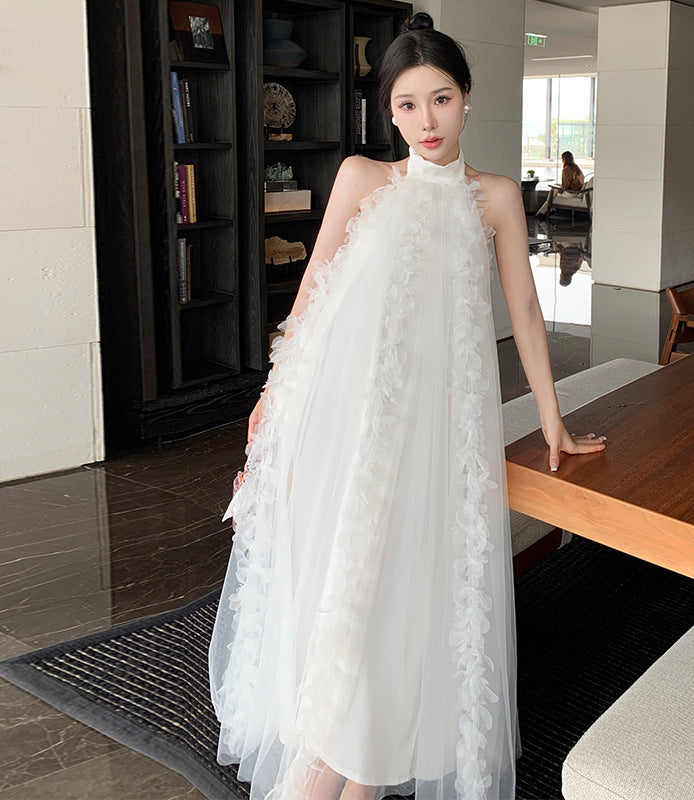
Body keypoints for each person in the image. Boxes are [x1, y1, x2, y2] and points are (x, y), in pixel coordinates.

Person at [208, 12, 605, 800]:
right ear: (388, 111)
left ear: (467, 97)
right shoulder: (363, 177)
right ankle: (330, 763)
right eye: (408, 104)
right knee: (351, 589)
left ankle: (366, 771)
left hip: (442, 426)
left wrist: (551, 418)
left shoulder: (495, 197)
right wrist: (271, 395)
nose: (427, 121)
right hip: (351, 418)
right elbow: (314, 290)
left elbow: (526, 311)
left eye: (442, 99)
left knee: (408, 598)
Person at [535, 151, 585, 217]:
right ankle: (548, 210)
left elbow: (565, 186)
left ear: (564, 159)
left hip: (570, 194)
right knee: (555, 186)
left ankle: (542, 212)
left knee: (553, 191)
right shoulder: (577, 168)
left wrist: (560, 190)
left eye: (562, 159)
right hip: (577, 192)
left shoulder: (566, 169)